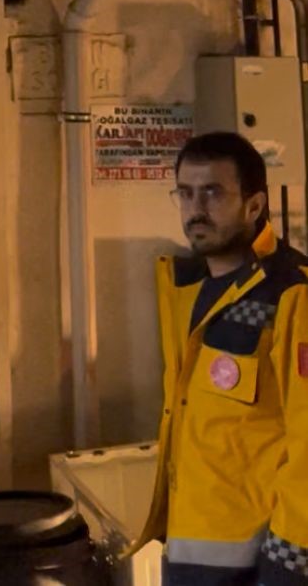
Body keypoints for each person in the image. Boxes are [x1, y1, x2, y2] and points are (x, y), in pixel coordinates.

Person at [131, 132, 308, 586]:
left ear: (254, 205)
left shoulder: (293, 294)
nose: (196, 209)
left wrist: (288, 562)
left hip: (258, 562)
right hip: (188, 549)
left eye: (212, 192)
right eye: (185, 193)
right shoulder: (185, 289)